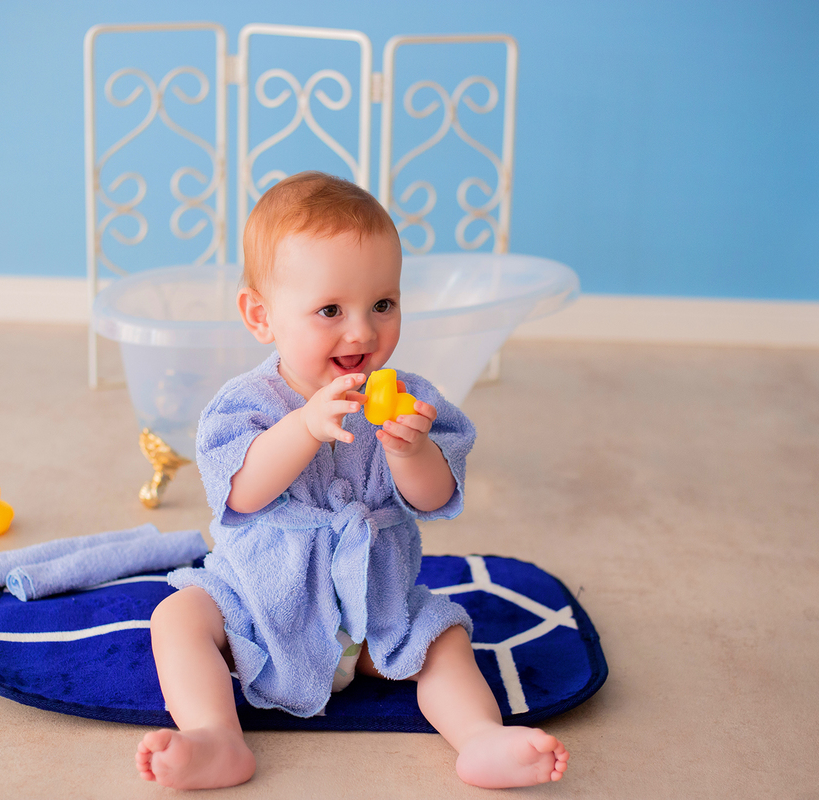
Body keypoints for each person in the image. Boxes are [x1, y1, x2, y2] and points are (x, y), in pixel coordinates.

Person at [134, 172, 569, 790]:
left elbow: (437, 498)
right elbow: (240, 494)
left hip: (376, 611)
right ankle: (216, 737)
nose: (362, 331)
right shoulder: (245, 404)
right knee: (178, 617)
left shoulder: (412, 399)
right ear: (261, 315)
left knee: (444, 639)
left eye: (382, 305)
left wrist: (411, 452)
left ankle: (480, 737)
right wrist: (303, 427)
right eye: (331, 310)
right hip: (261, 606)